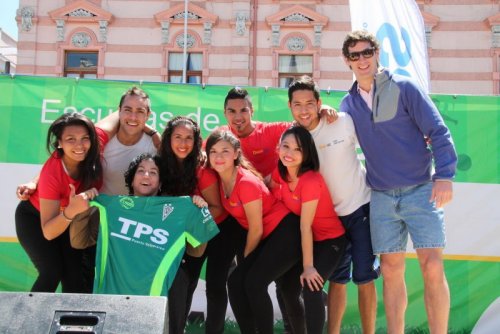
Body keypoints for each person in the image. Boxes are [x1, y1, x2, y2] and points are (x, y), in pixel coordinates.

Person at [340, 30, 457, 333]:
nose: (362, 59)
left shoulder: (405, 89)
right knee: (391, 271)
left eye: (367, 53)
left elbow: (439, 132)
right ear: (347, 61)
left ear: (377, 53)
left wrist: (444, 176)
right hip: (380, 196)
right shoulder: (346, 105)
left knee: (432, 266)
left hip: (421, 190)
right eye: (355, 55)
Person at [287, 75, 380, 334]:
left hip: (361, 209)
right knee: (337, 281)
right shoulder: (294, 139)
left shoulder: (342, 121)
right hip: (329, 223)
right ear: (290, 107)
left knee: (365, 278)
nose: (304, 110)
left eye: (309, 103)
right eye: (297, 104)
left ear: (319, 103)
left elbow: (376, 146)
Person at [206, 130, 305, 334]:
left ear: (235, 153)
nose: (218, 156)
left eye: (225, 151)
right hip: (268, 237)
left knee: (253, 283)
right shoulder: (219, 180)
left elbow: (256, 228)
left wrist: (245, 260)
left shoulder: (246, 182)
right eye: (213, 151)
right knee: (235, 283)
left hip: (286, 232)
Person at [158, 116, 245, 334]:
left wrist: (189, 229)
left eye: (189, 138)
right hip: (183, 234)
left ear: (196, 141)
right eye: (178, 137)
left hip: (217, 230)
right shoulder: (161, 165)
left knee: (213, 287)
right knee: (184, 283)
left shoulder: (202, 169)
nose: (183, 143)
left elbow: (216, 208)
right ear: (168, 139)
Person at [91, 153, 219, 296]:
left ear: (160, 184)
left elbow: (198, 251)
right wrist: (86, 198)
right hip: (110, 297)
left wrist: (200, 212)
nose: (146, 175)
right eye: (140, 171)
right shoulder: (110, 207)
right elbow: (79, 239)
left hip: (152, 303)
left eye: (153, 172)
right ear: (131, 180)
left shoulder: (179, 210)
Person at [14, 112, 107, 293]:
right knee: (51, 272)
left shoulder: (95, 145)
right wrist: (71, 211)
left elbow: (120, 116)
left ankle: (74, 321)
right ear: (59, 143)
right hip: (34, 218)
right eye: (70, 139)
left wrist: (152, 134)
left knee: (75, 277)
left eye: (84, 138)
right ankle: (29, 318)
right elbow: (48, 232)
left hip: (68, 219)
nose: (79, 145)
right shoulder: (53, 173)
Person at [270, 126, 347, 334]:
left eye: (298, 149)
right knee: (285, 286)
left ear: (306, 154)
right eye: (286, 146)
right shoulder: (280, 172)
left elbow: (305, 226)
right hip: (308, 240)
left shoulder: (311, 180)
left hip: (331, 240)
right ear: (278, 148)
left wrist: (309, 267)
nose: (290, 153)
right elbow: (265, 186)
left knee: (311, 287)